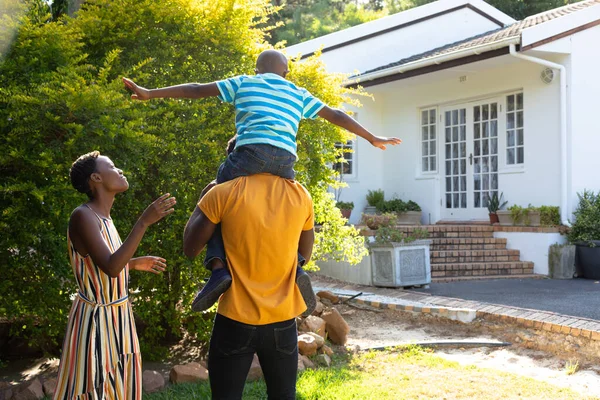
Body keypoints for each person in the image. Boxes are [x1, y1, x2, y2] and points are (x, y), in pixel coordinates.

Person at [122, 49, 402, 313]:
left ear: (257, 70)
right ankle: (298, 266)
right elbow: (337, 114)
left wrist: (149, 93)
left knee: (216, 198)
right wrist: (371, 137)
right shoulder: (297, 92)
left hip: (248, 155)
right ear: (286, 73)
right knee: (291, 208)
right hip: (285, 163)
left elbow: (195, 89)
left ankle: (218, 268)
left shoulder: (245, 82)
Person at [53, 151, 176, 400]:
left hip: (118, 316)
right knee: (93, 387)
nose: (120, 170)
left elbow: (101, 265)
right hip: (95, 320)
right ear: (96, 177)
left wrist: (132, 264)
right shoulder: (83, 216)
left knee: (120, 385)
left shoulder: (104, 218)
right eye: (112, 166)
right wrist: (143, 222)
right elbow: (110, 266)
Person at [183, 173, 314, 399]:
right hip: (281, 319)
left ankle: (218, 270)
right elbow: (307, 253)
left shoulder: (222, 191)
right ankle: (296, 269)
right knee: (283, 395)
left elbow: (190, 247)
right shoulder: (300, 193)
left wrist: (204, 200)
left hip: (235, 317)